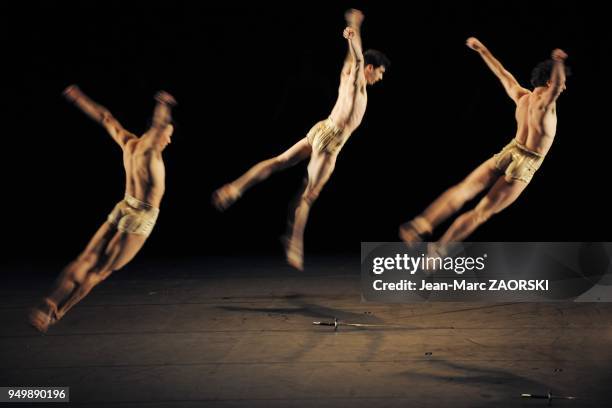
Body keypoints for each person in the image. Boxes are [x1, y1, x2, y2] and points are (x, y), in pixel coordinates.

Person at [213, 9, 390, 270]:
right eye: (381, 73)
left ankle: (235, 187)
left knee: (279, 161)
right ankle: (294, 242)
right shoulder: (358, 82)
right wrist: (352, 37)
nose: (381, 78)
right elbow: (359, 58)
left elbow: (354, 58)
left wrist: (354, 24)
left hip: (321, 128)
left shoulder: (346, 74)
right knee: (309, 195)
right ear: (371, 69)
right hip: (332, 142)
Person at [28, 85, 177, 332]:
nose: (169, 139)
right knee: (100, 271)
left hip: (123, 206)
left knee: (84, 259)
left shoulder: (128, 143)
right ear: (157, 131)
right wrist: (164, 104)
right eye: (168, 134)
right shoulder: (151, 149)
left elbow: (105, 117)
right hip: (140, 216)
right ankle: (57, 312)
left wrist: (79, 98)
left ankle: (50, 300)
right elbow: (159, 124)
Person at [400, 38, 568, 251]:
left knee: (463, 189)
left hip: (510, 150)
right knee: (482, 212)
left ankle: (421, 223)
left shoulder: (521, 97)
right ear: (551, 82)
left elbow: (501, 72)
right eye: (562, 83)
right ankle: (438, 249)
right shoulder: (546, 104)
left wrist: (481, 49)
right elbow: (553, 91)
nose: (564, 87)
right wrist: (559, 63)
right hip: (526, 162)